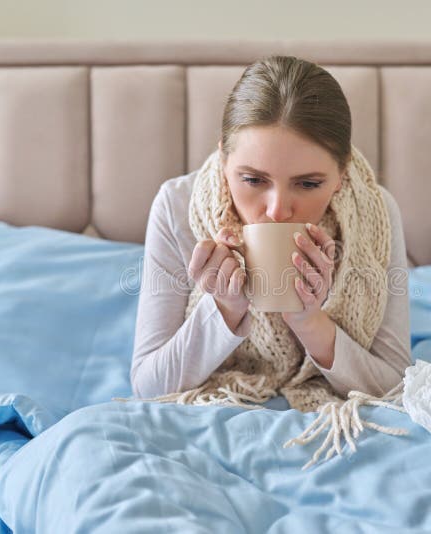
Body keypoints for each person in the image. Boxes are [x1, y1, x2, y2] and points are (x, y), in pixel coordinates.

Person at [129, 55, 412, 413]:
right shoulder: (176, 206)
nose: (278, 209)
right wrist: (224, 309)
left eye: (308, 183)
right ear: (223, 161)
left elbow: (394, 384)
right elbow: (148, 386)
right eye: (252, 180)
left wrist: (310, 322)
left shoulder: (376, 215)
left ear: (341, 175)